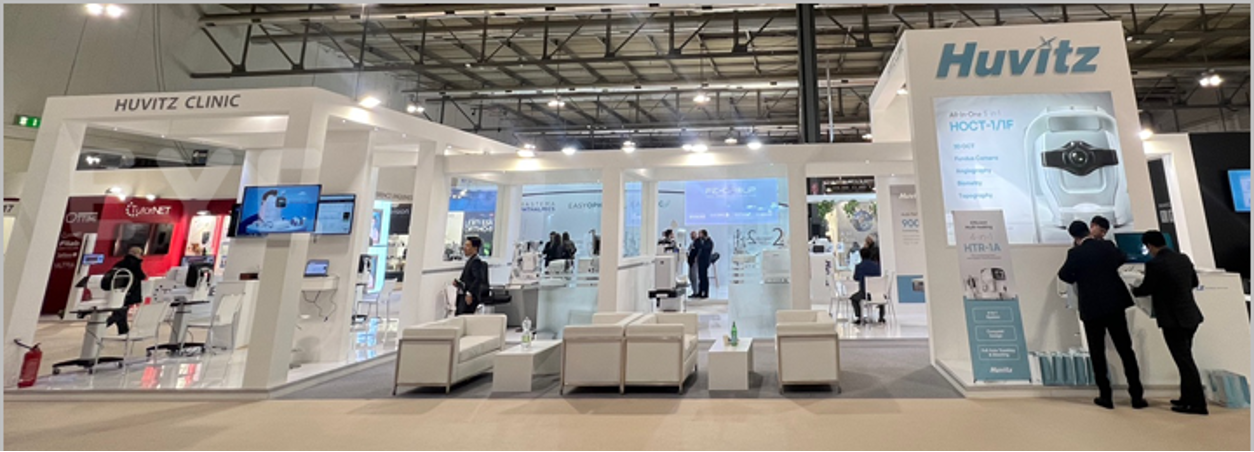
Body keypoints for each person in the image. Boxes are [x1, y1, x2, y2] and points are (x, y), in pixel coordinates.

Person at [1058, 220, 1147, 410]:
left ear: (1074, 236)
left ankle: (1105, 396)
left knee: (1097, 352)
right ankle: (1137, 396)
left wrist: (1079, 276)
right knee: (1126, 349)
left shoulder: (1075, 253)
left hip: (1091, 307)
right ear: (1088, 230)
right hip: (1115, 304)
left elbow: (1064, 275)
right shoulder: (1107, 246)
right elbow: (1122, 258)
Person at [1132, 230, 1207, 416]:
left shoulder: (1155, 264)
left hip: (1173, 320)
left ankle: (1198, 404)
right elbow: (1194, 282)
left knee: (1185, 362)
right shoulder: (1183, 258)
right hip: (1191, 316)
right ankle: (1186, 398)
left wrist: (1133, 289)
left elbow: (1146, 289)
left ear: (1149, 246)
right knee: (1185, 359)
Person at [105, 246, 148, 335]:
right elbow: (140, 275)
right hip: (129, 291)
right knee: (119, 314)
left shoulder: (120, 263)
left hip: (118, 291)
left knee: (121, 312)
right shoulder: (135, 263)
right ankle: (102, 326)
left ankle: (124, 332)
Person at [454, 237, 489, 316]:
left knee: (464, 317)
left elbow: (478, 279)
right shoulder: (470, 260)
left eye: (467, 246)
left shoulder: (476, 261)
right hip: (464, 294)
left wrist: (470, 293)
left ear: (475, 248)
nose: (464, 248)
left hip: (469, 296)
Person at [851, 248, 884, 325]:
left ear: (861, 255)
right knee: (881, 296)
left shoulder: (859, 266)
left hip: (865, 293)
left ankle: (859, 317)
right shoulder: (877, 266)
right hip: (877, 293)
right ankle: (881, 317)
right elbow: (879, 276)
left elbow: (855, 278)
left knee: (853, 298)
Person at [696, 230, 714, 299]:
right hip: (700, 261)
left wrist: (701, 244)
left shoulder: (709, 242)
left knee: (704, 277)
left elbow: (705, 248)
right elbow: (697, 245)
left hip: (705, 261)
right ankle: (700, 292)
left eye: (700, 234)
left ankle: (706, 292)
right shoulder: (699, 241)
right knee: (700, 277)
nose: (699, 235)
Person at [688, 231, 700, 295]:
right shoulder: (692, 243)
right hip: (691, 262)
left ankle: (696, 292)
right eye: (691, 235)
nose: (692, 236)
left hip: (695, 262)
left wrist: (696, 258)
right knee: (691, 277)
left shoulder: (698, 243)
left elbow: (698, 251)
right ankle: (694, 291)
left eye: (693, 235)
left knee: (695, 277)